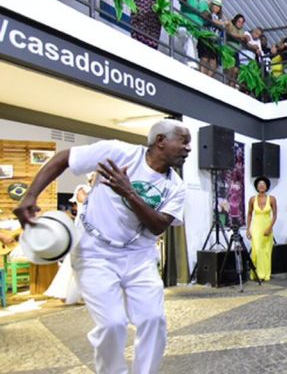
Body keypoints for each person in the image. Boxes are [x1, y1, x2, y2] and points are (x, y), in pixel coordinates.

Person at [13, 119, 190, 373]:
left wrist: (129, 192)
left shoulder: (176, 186)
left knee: (154, 320)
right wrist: (30, 195)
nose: (188, 149)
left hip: (140, 256)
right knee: (112, 325)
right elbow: (64, 158)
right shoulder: (117, 152)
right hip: (94, 253)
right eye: (183, 141)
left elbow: (159, 225)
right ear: (160, 140)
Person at [45, 172, 97, 304]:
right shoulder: (83, 189)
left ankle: (85, 294)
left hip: (96, 230)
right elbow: (85, 201)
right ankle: (68, 293)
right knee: (78, 259)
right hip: (83, 229)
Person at [246, 176, 277, 282]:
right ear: (256, 187)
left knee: (266, 251)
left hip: (267, 226)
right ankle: (258, 274)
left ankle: (265, 274)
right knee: (256, 250)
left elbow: (275, 215)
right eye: (259, 184)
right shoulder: (252, 199)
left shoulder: (272, 199)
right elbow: (249, 214)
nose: (261, 186)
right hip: (256, 227)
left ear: (267, 186)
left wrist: (270, 228)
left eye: (263, 184)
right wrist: (248, 229)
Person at [177, 0, 210, 69]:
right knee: (187, 41)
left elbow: (206, 13)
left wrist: (208, 10)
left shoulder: (203, 1)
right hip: (185, 24)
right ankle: (191, 62)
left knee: (189, 47)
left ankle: (185, 64)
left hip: (197, 28)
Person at [197, 0, 226, 77]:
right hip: (205, 37)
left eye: (218, 6)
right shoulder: (207, 12)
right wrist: (221, 23)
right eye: (215, 5)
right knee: (204, 58)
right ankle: (202, 75)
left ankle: (209, 78)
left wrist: (222, 23)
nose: (216, 7)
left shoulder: (220, 18)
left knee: (213, 60)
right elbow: (209, 19)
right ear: (211, 5)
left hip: (215, 40)